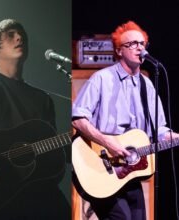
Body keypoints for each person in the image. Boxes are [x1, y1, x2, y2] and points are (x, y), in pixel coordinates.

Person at [0, 19, 70, 219]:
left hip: (41, 192)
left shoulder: (42, 98)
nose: (19, 37)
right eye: (10, 35)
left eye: (22, 35)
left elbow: (57, 152)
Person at [72, 20, 179, 219]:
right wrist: (108, 142)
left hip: (128, 172)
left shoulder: (147, 85)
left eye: (142, 43)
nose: (139, 48)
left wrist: (174, 136)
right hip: (98, 164)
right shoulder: (101, 79)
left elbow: (160, 131)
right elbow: (78, 119)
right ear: (119, 51)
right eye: (132, 44)